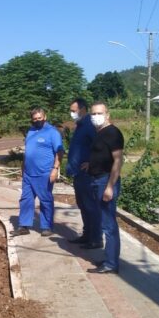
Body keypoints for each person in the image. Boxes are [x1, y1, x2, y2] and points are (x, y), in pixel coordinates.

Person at [13, 107, 64, 237]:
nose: (37, 121)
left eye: (39, 118)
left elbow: (59, 152)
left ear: (45, 117)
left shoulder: (52, 132)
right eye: (34, 119)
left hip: (44, 173)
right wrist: (23, 168)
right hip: (28, 174)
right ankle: (24, 225)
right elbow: (28, 151)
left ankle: (46, 226)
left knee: (45, 200)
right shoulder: (30, 131)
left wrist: (55, 169)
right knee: (26, 200)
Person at [86, 102, 124, 274]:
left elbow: (118, 160)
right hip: (97, 180)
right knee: (104, 223)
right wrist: (90, 164)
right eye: (93, 114)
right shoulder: (100, 133)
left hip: (105, 182)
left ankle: (111, 264)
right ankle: (109, 258)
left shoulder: (112, 133)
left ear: (107, 115)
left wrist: (110, 186)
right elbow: (102, 155)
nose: (95, 116)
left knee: (109, 226)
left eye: (99, 113)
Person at [65, 98, 100, 249]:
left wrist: (92, 162)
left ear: (83, 109)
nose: (72, 114)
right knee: (83, 205)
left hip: (87, 174)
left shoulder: (90, 125)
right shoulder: (79, 126)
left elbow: (100, 145)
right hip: (78, 174)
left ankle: (96, 238)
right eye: (71, 111)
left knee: (90, 206)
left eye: (74, 111)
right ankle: (87, 235)